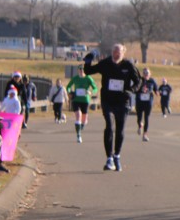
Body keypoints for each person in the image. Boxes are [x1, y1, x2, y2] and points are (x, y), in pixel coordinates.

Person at [83, 44, 141, 172]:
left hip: (123, 101)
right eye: (114, 51)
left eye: (118, 52)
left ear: (123, 53)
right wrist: (88, 61)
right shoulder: (106, 63)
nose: (116, 54)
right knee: (109, 126)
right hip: (107, 100)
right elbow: (88, 71)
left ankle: (117, 156)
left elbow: (138, 81)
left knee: (120, 129)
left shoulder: (128, 65)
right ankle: (109, 158)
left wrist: (131, 90)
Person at [66, 68, 98, 143]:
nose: (81, 71)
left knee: (84, 119)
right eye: (80, 69)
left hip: (85, 100)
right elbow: (68, 86)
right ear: (78, 70)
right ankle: (78, 135)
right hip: (76, 100)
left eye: (83, 69)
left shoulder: (88, 78)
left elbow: (95, 88)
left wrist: (90, 92)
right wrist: (69, 92)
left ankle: (81, 126)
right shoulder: (75, 78)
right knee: (78, 115)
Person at [0, 87, 22, 172]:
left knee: (9, 138)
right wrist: (1, 113)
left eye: (13, 93)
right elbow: (2, 107)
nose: (11, 95)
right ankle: (0, 158)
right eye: (10, 93)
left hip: (12, 120)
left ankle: (4, 157)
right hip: (6, 120)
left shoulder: (16, 101)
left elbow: (18, 110)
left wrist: (14, 116)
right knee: (3, 137)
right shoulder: (6, 100)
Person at [134, 68, 158, 141]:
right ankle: (140, 125)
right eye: (144, 73)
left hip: (148, 102)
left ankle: (145, 135)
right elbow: (135, 88)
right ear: (143, 74)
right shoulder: (139, 80)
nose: (146, 74)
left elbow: (156, 89)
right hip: (139, 102)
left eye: (147, 73)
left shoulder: (152, 81)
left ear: (150, 74)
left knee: (146, 118)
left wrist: (157, 92)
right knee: (139, 117)